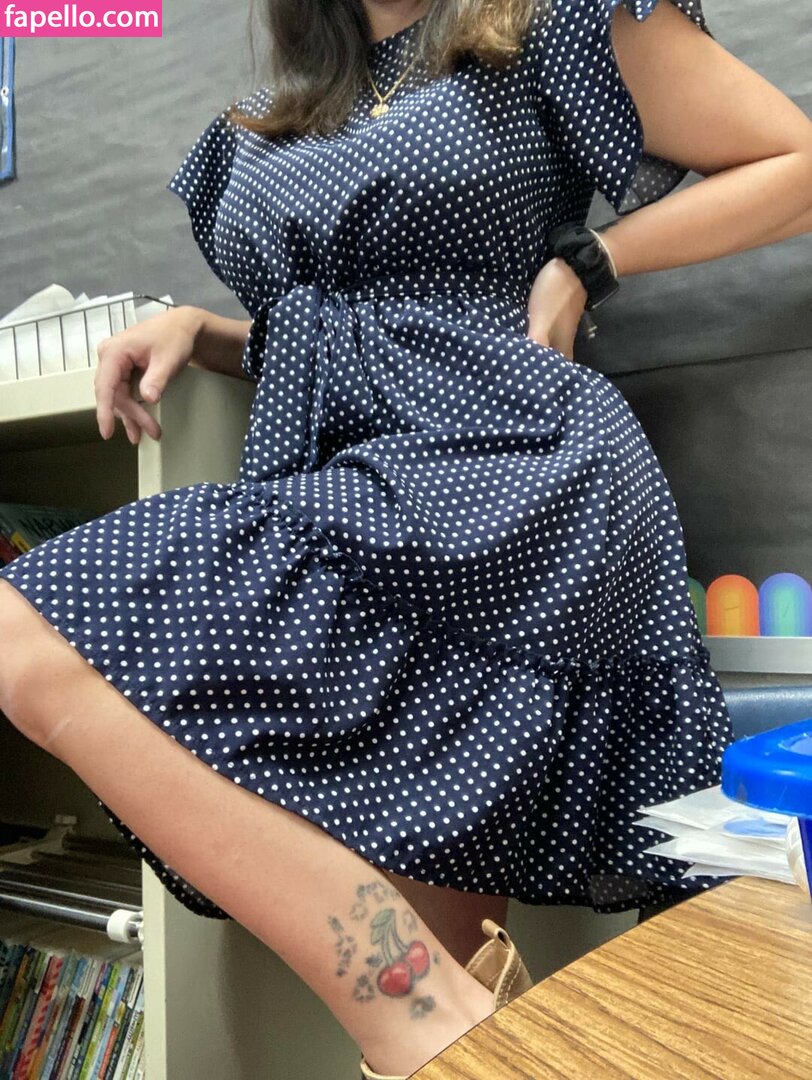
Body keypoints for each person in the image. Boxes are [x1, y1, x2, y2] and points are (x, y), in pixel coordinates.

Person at [1, 0, 811, 1076]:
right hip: (351, 487)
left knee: (24, 632)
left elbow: (794, 162)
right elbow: (355, 323)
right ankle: (442, 1025)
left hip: (508, 472)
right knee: (452, 964)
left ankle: (427, 1019)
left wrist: (588, 263)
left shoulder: (547, 21)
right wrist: (208, 331)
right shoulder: (284, 111)